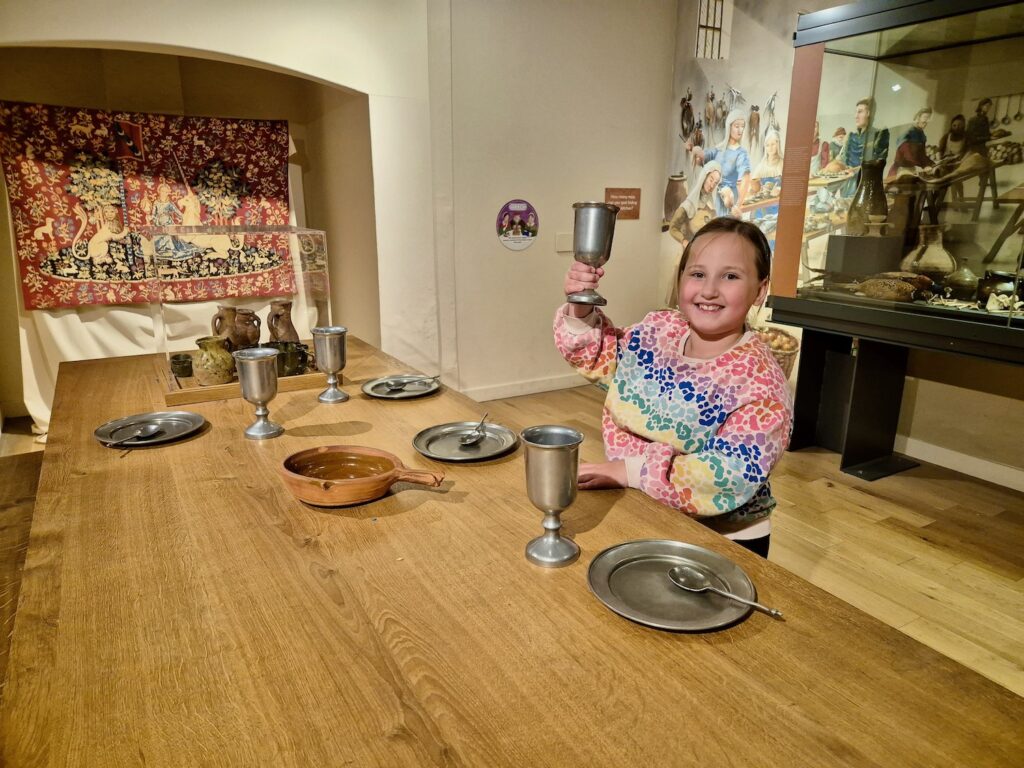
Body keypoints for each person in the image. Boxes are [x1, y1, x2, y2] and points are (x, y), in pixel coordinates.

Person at [554, 217, 794, 557]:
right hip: (642, 504)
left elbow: (726, 475)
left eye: (730, 276)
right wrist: (581, 306)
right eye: (697, 274)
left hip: (724, 538)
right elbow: (599, 355)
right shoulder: (659, 331)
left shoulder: (761, 383)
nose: (709, 290)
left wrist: (630, 470)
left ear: (760, 289)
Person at [691, 109, 751, 217]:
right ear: (729, 127)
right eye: (737, 126)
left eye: (742, 126)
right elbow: (703, 158)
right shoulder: (719, 149)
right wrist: (695, 150)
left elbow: (746, 179)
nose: (740, 130)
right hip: (711, 197)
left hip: (727, 200)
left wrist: (738, 205)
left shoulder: (741, 154)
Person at [668, 160, 722, 247]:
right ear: (704, 177)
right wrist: (684, 242)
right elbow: (673, 227)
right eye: (711, 180)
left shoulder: (711, 208)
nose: (712, 185)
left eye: (715, 183)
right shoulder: (689, 205)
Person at [888, 107, 934, 179]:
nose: (927, 121)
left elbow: (922, 156)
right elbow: (908, 155)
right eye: (925, 117)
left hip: (912, 170)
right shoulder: (908, 134)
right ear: (918, 117)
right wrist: (922, 167)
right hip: (900, 171)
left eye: (929, 118)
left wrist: (931, 164)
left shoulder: (922, 136)